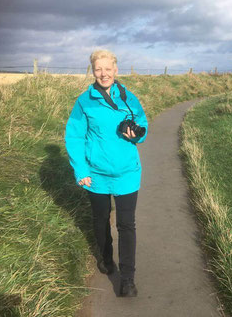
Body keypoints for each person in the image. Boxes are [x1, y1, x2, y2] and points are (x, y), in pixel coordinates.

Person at [65, 49, 148, 297]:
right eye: (98, 69)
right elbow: (75, 136)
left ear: (116, 70)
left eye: (108, 68)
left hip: (127, 173)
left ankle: (127, 279)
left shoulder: (128, 97)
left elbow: (142, 123)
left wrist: (138, 133)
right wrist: (81, 169)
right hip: (96, 175)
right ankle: (105, 259)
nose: (104, 73)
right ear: (93, 71)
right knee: (100, 221)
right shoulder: (84, 101)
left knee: (126, 225)